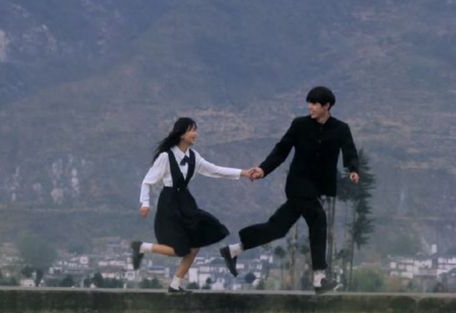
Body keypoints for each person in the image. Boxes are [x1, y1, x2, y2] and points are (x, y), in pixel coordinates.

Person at [219, 86, 359, 293]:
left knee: (278, 228)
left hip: (317, 186)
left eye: (314, 103)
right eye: (309, 103)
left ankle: (233, 250)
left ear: (326, 106)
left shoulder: (340, 129)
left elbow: (349, 151)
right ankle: (320, 279)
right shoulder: (300, 125)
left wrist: (353, 169)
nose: (310, 107)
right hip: (298, 184)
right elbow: (281, 150)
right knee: (318, 220)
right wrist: (263, 169)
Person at [131, 117, 253, 293]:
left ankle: (175, 284)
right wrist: (145, 203)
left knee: (196, 243)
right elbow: (147, 181)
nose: (195, 134)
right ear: (181, 134)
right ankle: (142, 247)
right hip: (169, 204)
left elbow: (215, 170)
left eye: (195, 130)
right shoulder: (166, 156)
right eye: (191, 130)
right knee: (180, 249)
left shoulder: (194, 157)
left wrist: (243, 173)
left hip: (186, 203)